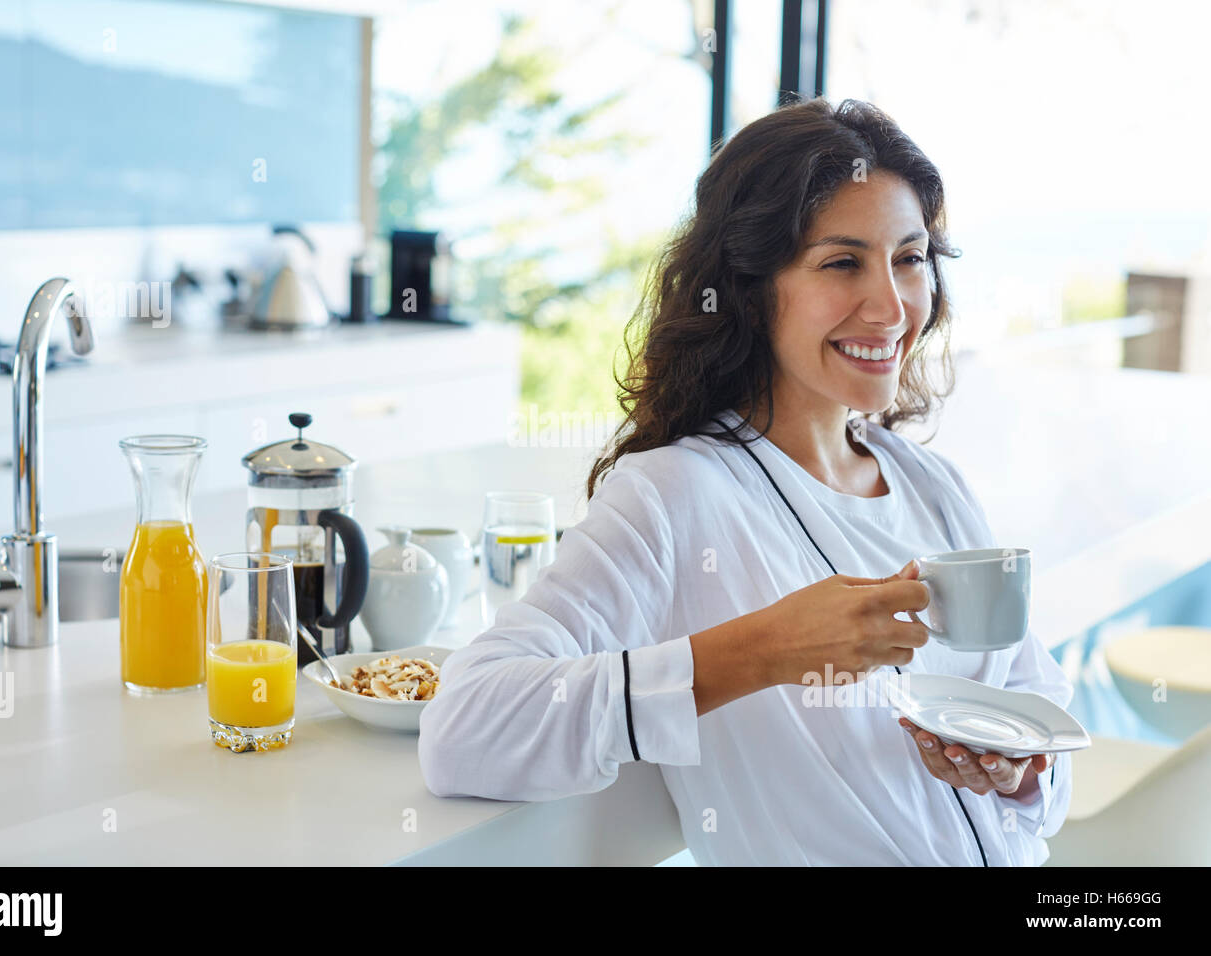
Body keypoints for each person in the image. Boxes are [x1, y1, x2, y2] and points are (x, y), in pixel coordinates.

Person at [417, 97, 1072, 866]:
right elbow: (464, 730)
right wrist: (759, 651)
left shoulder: (934, 486)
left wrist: (1022, 771)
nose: (891, 307)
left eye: (910, 257)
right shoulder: (673, 494)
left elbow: (1041, 714)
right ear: (751, 287)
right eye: (842, 262)